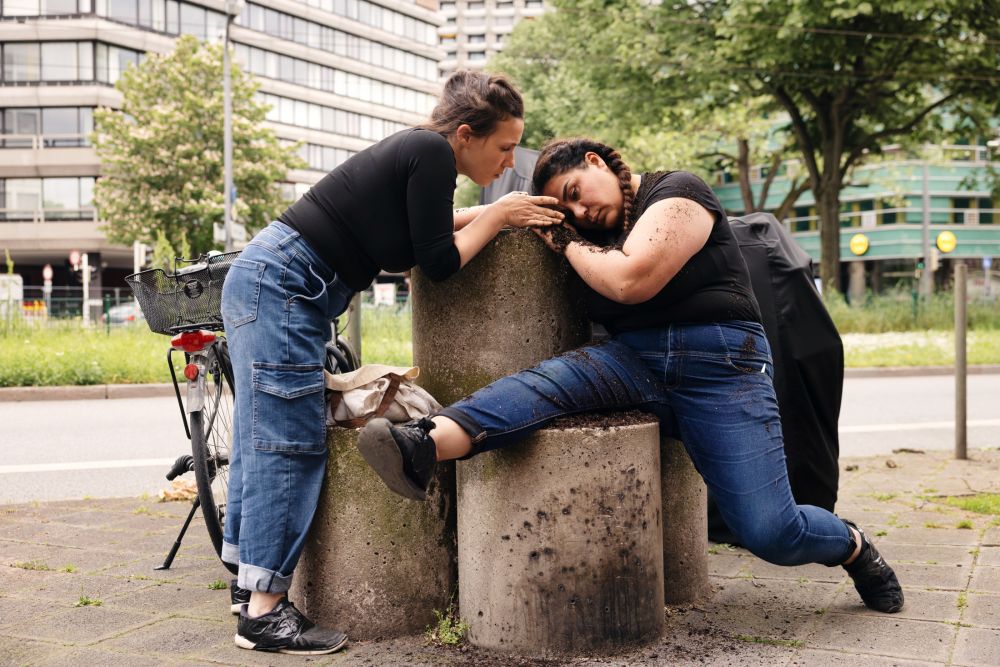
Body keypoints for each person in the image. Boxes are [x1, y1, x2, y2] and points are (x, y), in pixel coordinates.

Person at [357, 137, 904, 616]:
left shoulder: (677, 193)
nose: (580, 210)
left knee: (770, 532)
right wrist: (502, 212)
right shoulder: (585, 225)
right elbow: (440, 230)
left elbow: (631, 280)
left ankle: (854, 547)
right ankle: (420, 445)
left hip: (721, 367)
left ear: (595, 160)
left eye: (575, 191)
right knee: (543, 386)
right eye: (566, 209)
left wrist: (566, 240)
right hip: (633, 360)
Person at [220, 71, 564, 655]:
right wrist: (498, 217)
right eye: (505, 147)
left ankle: (247, 585)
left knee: (262, 438)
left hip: (272, 285)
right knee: (288, 440)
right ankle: (263, 614)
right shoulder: (429, 152)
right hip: (282, 291)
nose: (509, 163)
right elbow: (437, 262)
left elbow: (420, 237)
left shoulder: (422, 155)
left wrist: (499, 214)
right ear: (465, 135)